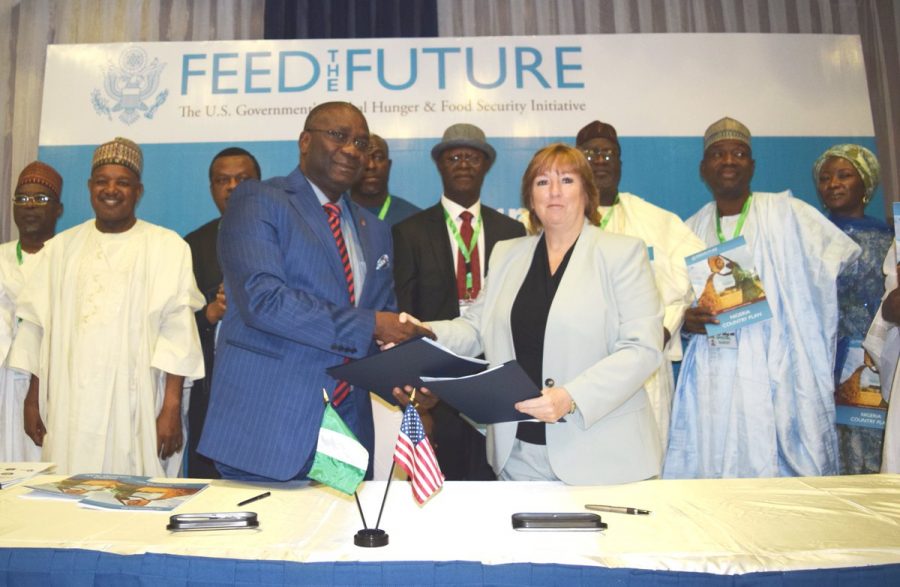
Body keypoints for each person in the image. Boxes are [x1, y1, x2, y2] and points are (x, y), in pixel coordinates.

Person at [198, 102, 431, 482]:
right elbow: (264, 301)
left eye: (361, 143)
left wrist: (407, 379)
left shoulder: (375, 230)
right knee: (268, 525)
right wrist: (374, 324)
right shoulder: (259, 199)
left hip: (348, 434)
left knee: (344, 525)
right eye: (338, 136)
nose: (351, 150)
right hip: (269, 431)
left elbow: (377, 330)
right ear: (305, 141)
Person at [407, 143, 664, 485]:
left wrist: (571, 397)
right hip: (517, 455)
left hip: (602, 455)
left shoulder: (622, 254)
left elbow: (642, 349)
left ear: (587, 193)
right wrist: (422, 332)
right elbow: (476, 329)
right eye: (542, 182)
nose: (554, 191)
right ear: (530, 197)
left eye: (567, 180)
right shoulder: (506, 254)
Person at [665, 118, 861, 479]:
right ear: (703, 168)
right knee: (714, 463)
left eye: (739, 153)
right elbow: (673, 303)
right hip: (715, 367)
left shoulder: (788, 213)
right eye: (718, 154)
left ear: (752, 166)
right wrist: (686, 322)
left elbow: (840, 264)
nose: (729, 160)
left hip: (778, 362)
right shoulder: (688, 230)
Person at [9, 137, 204, 476]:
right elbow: (37, 328)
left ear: (138, 191)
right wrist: (32, 398)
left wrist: (171, 407)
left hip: (136, 403)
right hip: (71, 401)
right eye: (102, 181)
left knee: (135, 491)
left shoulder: (167, 247)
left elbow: (178, 334)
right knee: (68, 485)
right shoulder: (61, 249)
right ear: (90, 187)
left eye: (122, 183)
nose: (111, 190)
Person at [392, 123, 525, 480]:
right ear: (440, 165)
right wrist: (418, 390)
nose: (463, 164)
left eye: (472, 157)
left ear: (486, 165)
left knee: (496, 481)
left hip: (495, 377)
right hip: (436, 384)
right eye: (454, 158)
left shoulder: (512, 233)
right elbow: (406, 312)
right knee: (439, 486)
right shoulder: (410, 232)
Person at [575, 120, 704, 455]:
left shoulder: (658, 221)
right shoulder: (557, 224)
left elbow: (690, 280)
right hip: (579, 367)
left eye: (608, 154)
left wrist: (664, 327)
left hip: (644, 368)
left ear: (620, 162)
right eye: (590, 154)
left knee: (646, 461)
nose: (600, 160)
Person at [183, 147, 261, 479]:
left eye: (242, 179)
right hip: (211, 390)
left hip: (267, 388)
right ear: (212, 188)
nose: (232, 187)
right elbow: (176, 325)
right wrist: (210, 313)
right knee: (209, 488)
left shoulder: (283, 237)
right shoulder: (192, 245)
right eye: (222, 180)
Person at [814, 144, 892, 474]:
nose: (833, 184)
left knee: (875, 453)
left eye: (844, 175)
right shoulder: (809, 235)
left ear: (866, 183)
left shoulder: (889, 239)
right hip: (819, 363)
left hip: (872, 363)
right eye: (825, 178)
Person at [0, 162, 63, 462]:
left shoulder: (68, 258)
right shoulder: (1, 256)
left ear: (59, 209)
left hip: (49, 382)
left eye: (41, 198)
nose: (30, 206)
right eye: (22, 198)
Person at [350, 134, 420, 225]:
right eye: (364, 157)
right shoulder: (336, 214)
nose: (371, 166)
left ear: (389, 166)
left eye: (378, 157)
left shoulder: (414, 218)